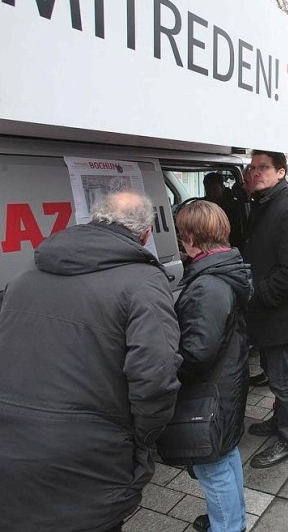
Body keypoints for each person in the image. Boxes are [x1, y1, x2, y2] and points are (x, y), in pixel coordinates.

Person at [0, 191, 182, 532]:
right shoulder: (143, 282)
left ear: (94, 219)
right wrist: (142, 440)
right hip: (86, 457)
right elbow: (156, 378)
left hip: (10, 447)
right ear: (145, 235)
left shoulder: (27, 272)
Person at [173, 200, 252, 532]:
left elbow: (197, 352)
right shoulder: (224, 268)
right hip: (227, 381)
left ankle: (228, 526)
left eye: (181, 234)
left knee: (212, 465)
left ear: (191, 237)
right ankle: (234, 519)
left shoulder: (208, 284)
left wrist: (170, 368)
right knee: (225, 452)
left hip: (211, 389)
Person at [245, 151, 288, 468]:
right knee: (275, 376)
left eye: (264, 168)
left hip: (279, 315)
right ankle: (279, 423)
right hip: (268, 313)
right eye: (253, 167)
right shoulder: (265, 201)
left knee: (282, 379)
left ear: (281, 172)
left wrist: (257, 296)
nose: (256, 172)